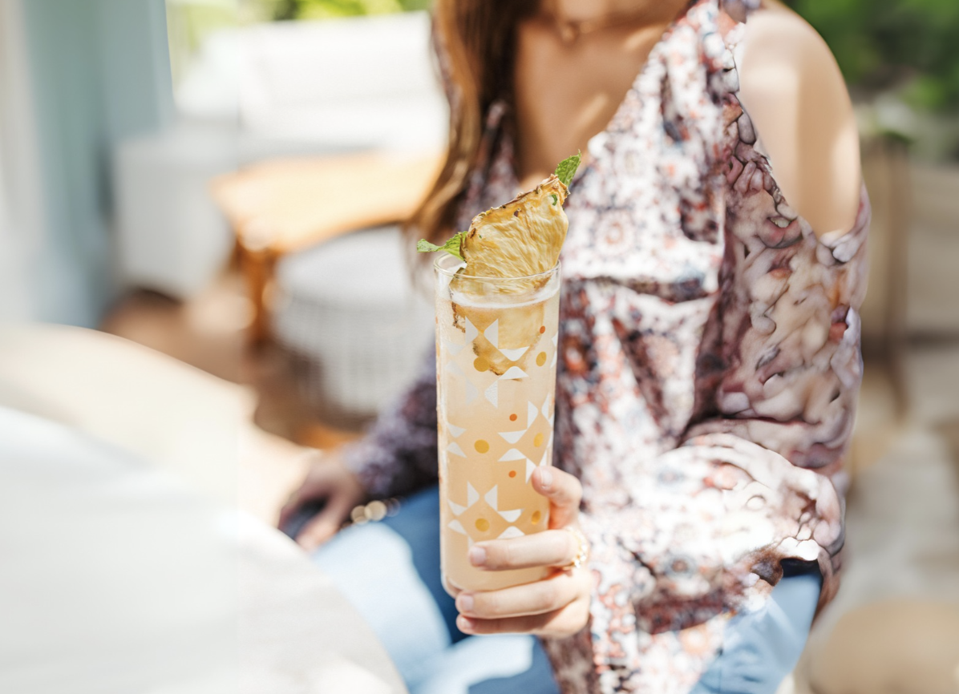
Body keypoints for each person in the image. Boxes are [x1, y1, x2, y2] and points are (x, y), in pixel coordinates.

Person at [279, 0, 869, 691]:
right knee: (285, 642)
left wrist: (601, 563)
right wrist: (382, 456)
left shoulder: (762, 68)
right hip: (512, 510)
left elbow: (790, 439)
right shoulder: (484, 27)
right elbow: (494, 323)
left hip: (707, 569)